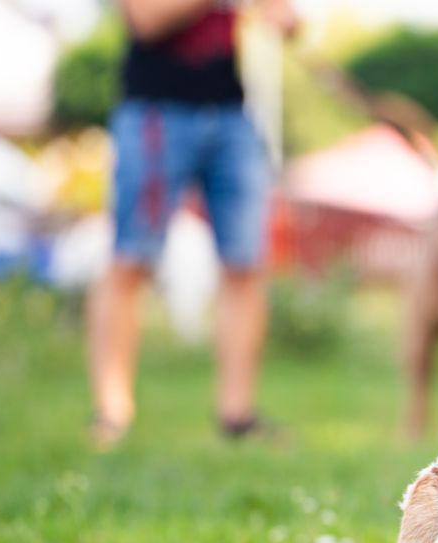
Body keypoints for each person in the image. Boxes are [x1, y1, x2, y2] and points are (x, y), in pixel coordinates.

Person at [87, 0, 297, 446]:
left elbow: (285, 19)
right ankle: (111, 412)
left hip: (231, 113)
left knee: (245, 266)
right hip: (156, 111)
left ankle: (237, 417)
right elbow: (144, 19)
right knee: (131, 261)